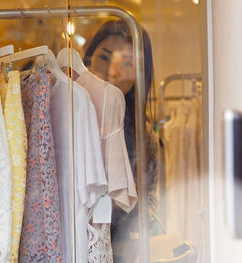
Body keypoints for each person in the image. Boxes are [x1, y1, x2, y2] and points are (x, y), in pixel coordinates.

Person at [83, 20, 160, 262]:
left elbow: (151, 202)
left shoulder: (143, 136)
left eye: (126, 64)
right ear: (88, 58)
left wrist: (122, 203)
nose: (111, 72)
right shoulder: (67, 114)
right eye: (104, 58)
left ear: (140, 75)